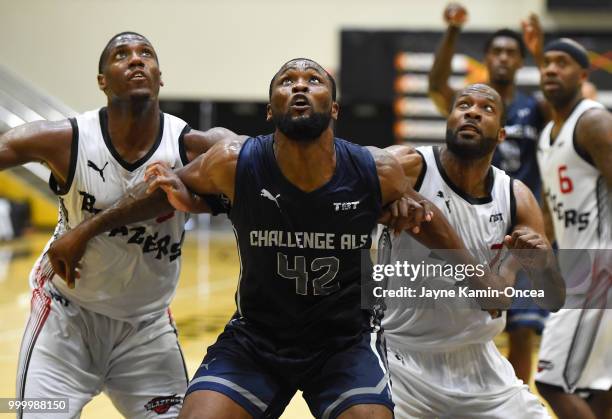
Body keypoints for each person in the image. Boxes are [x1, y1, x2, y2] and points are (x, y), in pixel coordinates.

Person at [47, 58, 506, 419]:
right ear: (270, 110)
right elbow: (167, 191)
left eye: (313, 80)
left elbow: (427, 217)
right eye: (288, 81)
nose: (301, 86)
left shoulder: (375, 168)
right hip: (257, 339)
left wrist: (478, 279)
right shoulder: (233, 161)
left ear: (335, 108)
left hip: (342, 343)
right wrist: (85, 230)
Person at [1, 32, 237, 418]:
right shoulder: (67, 138)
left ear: (160, 76)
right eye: (122, 54)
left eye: (146, 53)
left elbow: (249, 155)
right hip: (66, 319)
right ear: (102, 81)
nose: (136, 60)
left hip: (146, 329)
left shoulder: (192, 146)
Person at [381, 83, 564, 418]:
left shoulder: (516, 195)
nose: (473, 111)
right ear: (449, 120)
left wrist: (543, 263)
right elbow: (351, 166)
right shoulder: (407, 166)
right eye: (463, 105)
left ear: (502, 135)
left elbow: (553, 297)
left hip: (480, 364)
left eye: (487, 108)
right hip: (401, 359)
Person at [428, 2, 550, 383]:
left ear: (520, 61)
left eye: (511, 52)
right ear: (486, 59)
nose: (502, 58)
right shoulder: (469, 106)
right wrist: (451, 32)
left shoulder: (537, 107)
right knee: (457, 322)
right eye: (496, 51)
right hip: (474, 224)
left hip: (520, 229)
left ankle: (513, 397)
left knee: (522, 329)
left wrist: (541, 49)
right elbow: (435, 87)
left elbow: (568, 101)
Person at [535, 38, 612, 419]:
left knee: (551, 380)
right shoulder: (548, 134)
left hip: (601, 269)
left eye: (561, 63)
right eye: (546, 62)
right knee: (598, 388)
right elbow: (551, 212)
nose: (550, 69)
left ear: (582, 75)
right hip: (577, 269)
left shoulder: (594, 121)